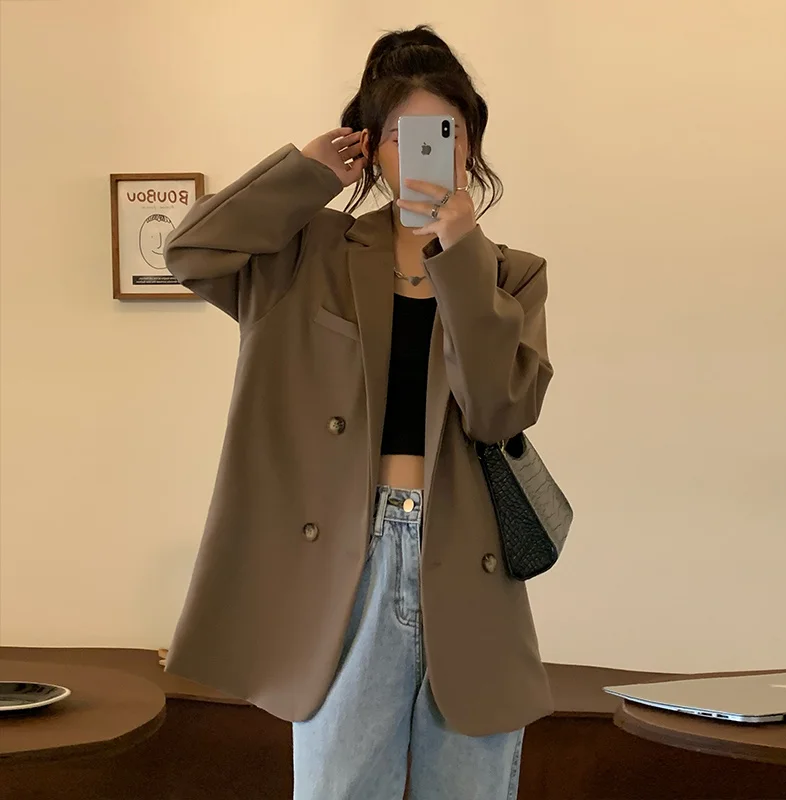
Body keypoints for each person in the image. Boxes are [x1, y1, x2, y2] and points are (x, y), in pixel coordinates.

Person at [164, 24, 555, 800]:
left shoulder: (511, 275)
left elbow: (497, 411)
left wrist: (460, 258)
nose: (427, 153)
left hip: (466, 569)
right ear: (372, 148)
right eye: (404, 136)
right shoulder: (308, 254)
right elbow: (191, 252)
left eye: (447, 132)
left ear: (470, 147)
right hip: (343, 560)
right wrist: (306, 174)